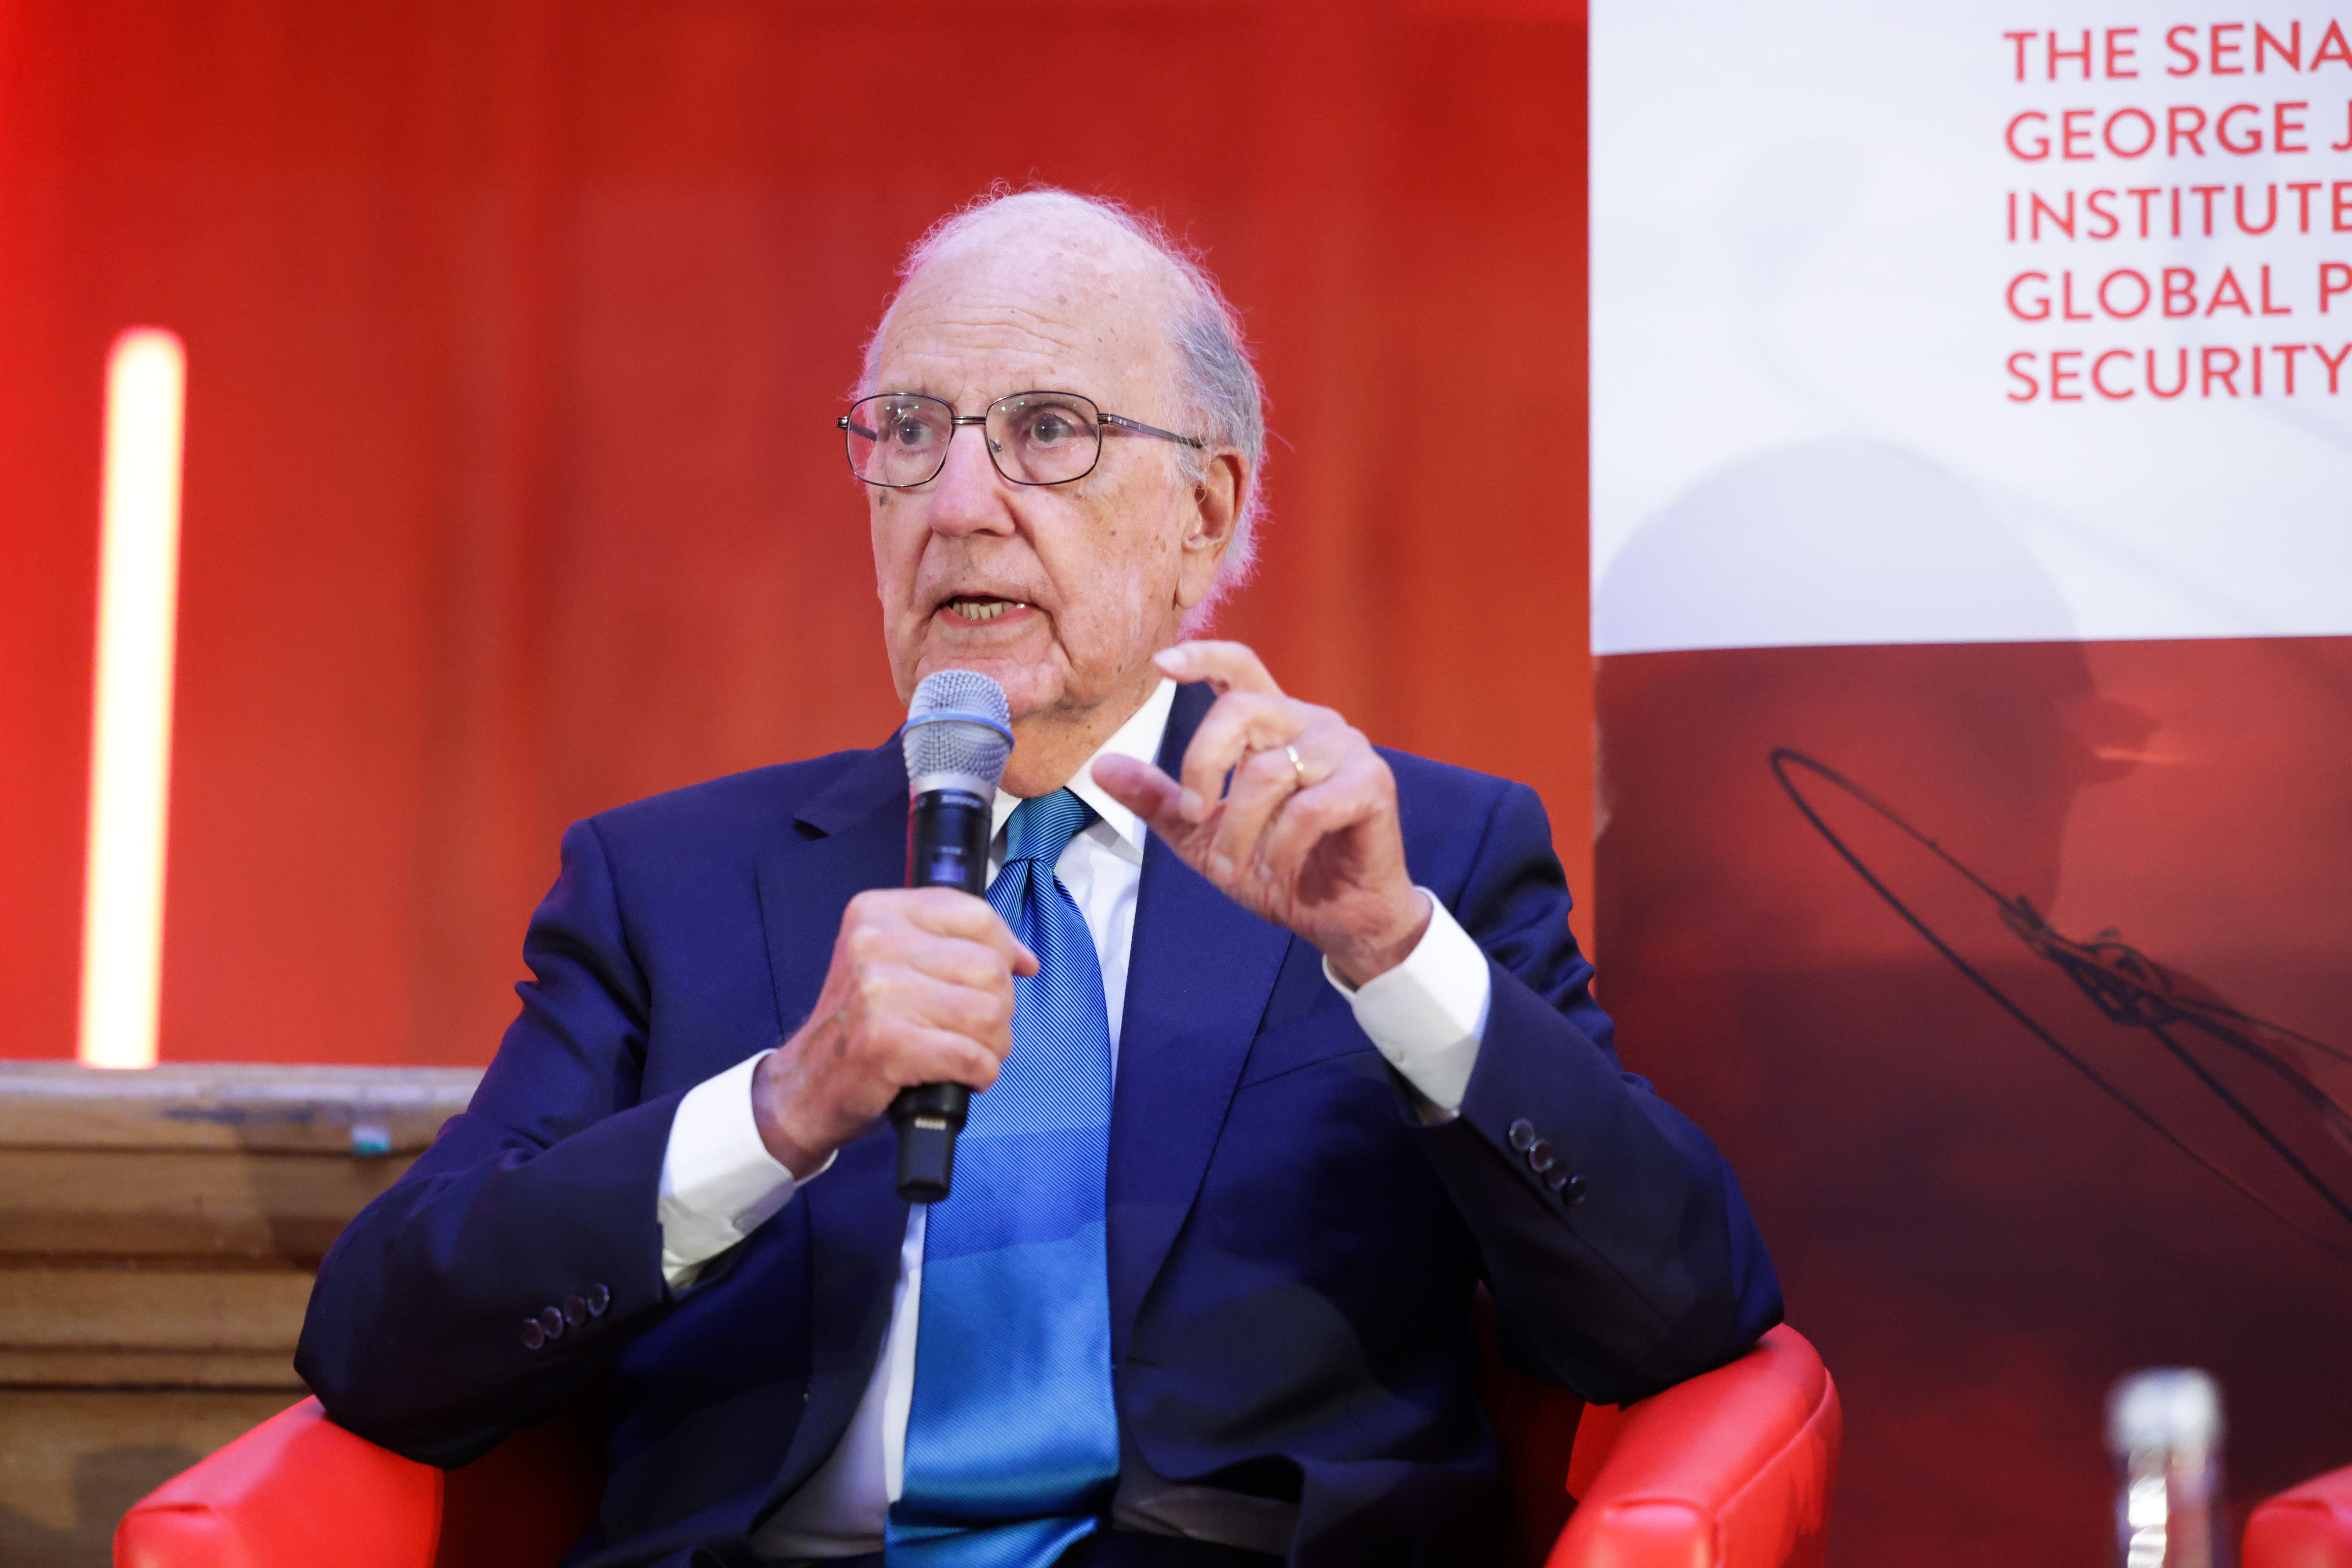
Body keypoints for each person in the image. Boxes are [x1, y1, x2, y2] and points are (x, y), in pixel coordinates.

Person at [296, 189, 1781, 1568]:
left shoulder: (1411, 863)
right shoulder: (667, 885)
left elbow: (1677, 1314)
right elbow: (384, 1350)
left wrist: (1396, 958)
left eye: (1049, 431)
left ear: (1203, 512)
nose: (957, 504)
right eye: (909, 433)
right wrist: (782, 1106)